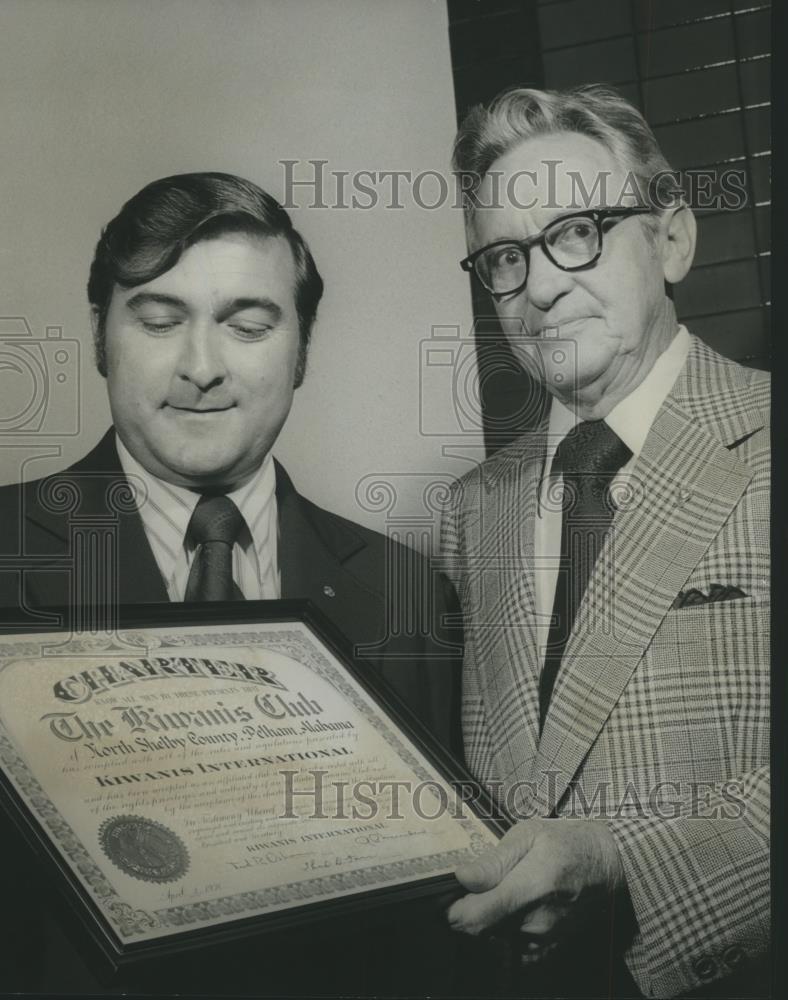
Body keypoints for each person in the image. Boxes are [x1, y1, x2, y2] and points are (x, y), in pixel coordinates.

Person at [0, 171, 462, 995]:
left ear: (304, 352)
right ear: (100, 335)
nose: (202, 367)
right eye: (159, 321)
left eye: (247, 325)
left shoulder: (410, 596)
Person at [441, 86, 769, 998]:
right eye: (506, 256)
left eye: (576, 230)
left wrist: (624, 865)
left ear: (671, 241)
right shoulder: (470, 512)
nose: (540, 285)